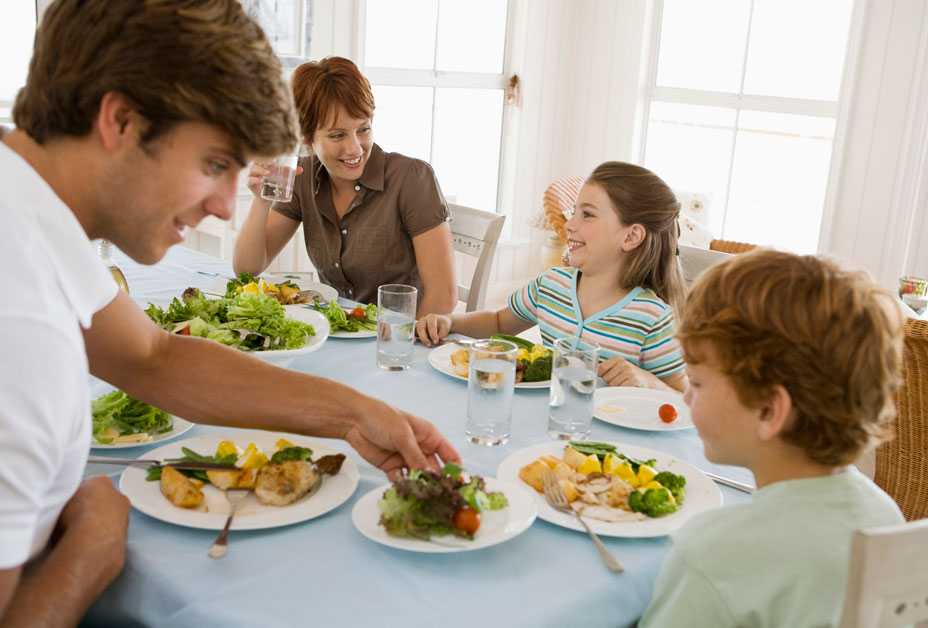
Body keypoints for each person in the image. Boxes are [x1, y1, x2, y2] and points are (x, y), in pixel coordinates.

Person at [0, 2, 458, 624]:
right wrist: (95, 548)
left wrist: (354, 413)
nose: (221, 206)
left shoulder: (29, 213)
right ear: (120, 121)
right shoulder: (18, 317)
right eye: (214, 164)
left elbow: (153, 357)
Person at [639, 250, 905, 627]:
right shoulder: (883, 514)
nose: (685, 396)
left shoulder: (713, 552)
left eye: (697, 383)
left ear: (769, 410)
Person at [417, 161, 687, 392]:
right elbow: (498, 322)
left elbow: (683, 400)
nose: (570, 224)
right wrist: (450, 321)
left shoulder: (652, 318)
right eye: (574, 212)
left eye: (588, 215)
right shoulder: (552, 285)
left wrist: (649, 382)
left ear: (630, 236)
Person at [233, 56, 458, 315]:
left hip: (400, 341)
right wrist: (261, 200)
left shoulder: (412, 178)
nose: (354, 148)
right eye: (337, 135)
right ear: (306, 137)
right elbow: (247, 270)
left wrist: (397, 347)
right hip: (337, 334)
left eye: (363, 129)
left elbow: (443, 298)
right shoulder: (302, 177)